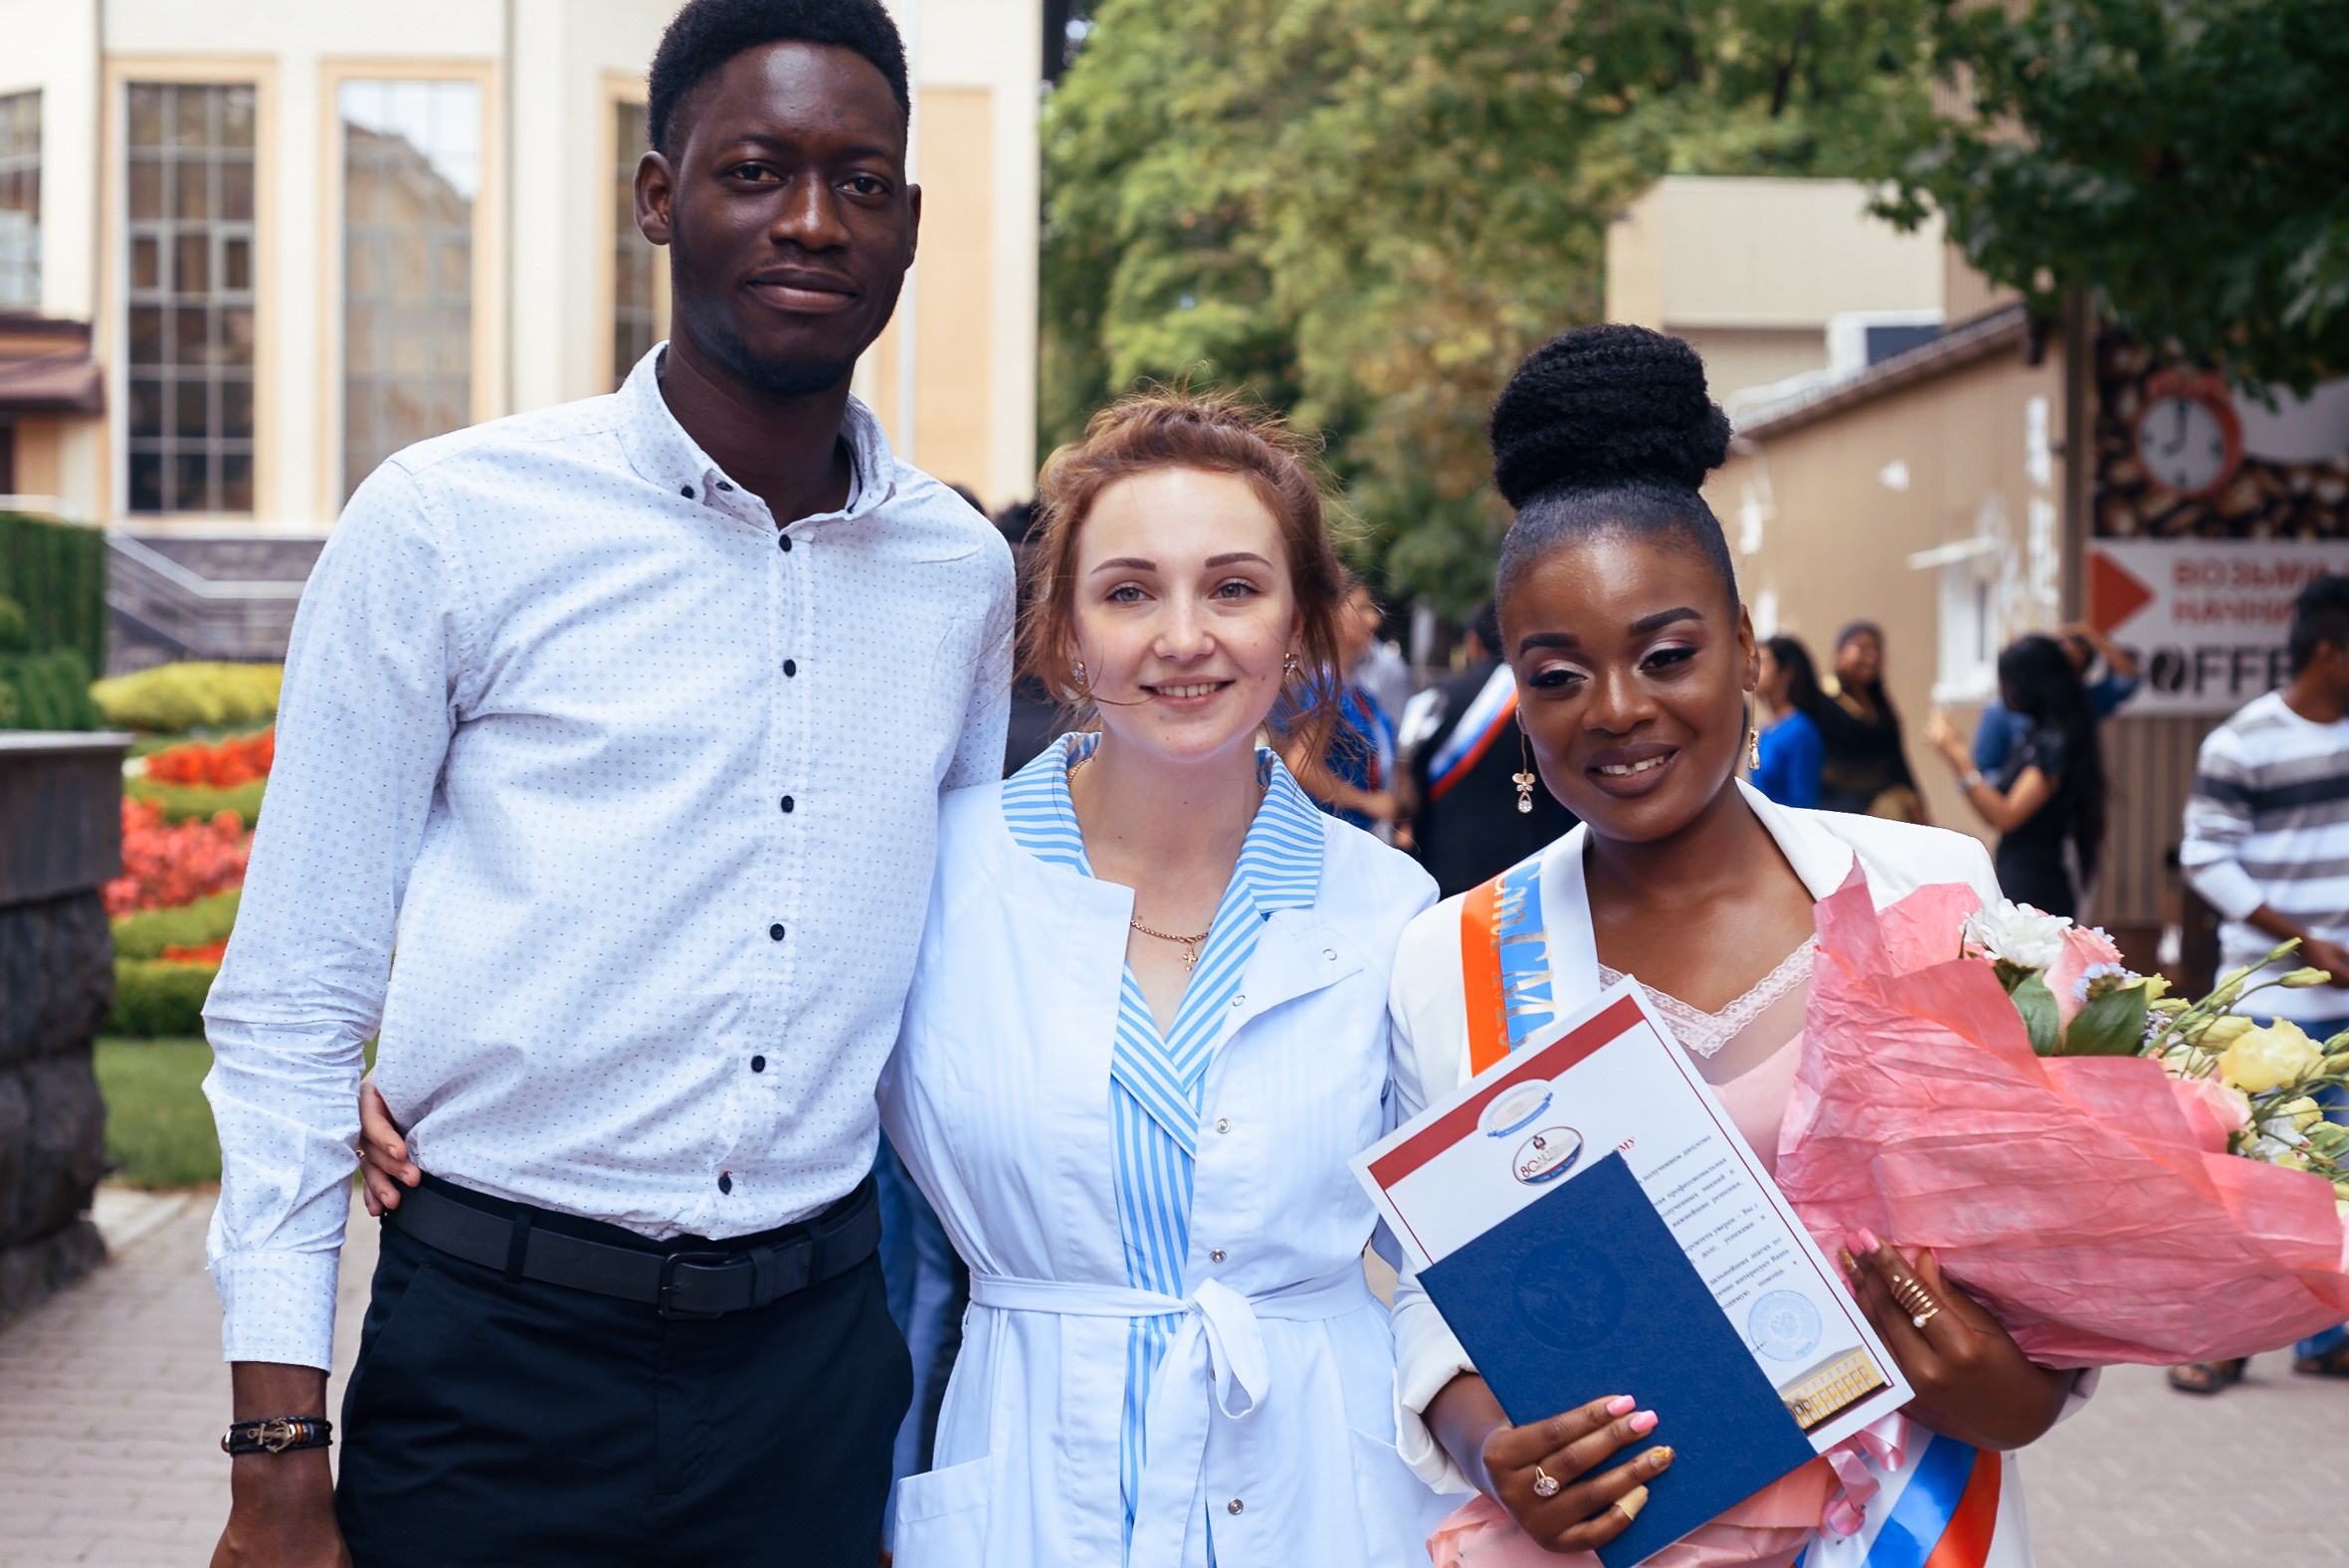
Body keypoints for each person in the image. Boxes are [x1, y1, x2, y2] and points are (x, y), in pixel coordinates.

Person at [204, 5, 1015, 1565]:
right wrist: (276, 1457)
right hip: (493, 1363)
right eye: (756, 170)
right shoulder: (450, 522)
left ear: (908, 222)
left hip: (812, 1372)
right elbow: (291, 1008)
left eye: (860, 182)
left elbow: (939, 974)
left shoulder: (959, 580)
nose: (808, 220)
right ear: (659, 198)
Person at [1385, 324, 2088, 1567]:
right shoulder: (1454, 957)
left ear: (1749, 649)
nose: (1617, 709)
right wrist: (1495, 1431)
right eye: (1558, 675)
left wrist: (2028, 1384)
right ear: (1515, 695)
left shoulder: (1928, 887)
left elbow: (2043, 1256)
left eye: (1668, 654)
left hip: (1905, 1525)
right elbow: (1432, 1289)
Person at [871, 390, 1457, 1563]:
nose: (1183, 637)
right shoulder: (939, 876)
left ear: (1297, 625)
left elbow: (1458, 1256)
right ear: (1065, 634)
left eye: (1234, 587)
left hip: (1322, 1495)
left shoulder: (1389, 909)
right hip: (1033, 1480)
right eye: (1130, 591)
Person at [2171, 572, 2349, 1395]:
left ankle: (2324, 1339)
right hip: (2276, 1007)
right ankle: (2225, 1339)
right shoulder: (2240, 743)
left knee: (2338, 1180)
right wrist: (2303, 940)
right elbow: (2205, 856)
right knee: (2258, 1177)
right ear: (2329, 653)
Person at [1924, 635, 2107, 920]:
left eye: (2009, 680)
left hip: (2040, 877)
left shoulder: (2057, 739)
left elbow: (2006, 815)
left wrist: (1956, 756)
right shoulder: (2039, 730)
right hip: (2022, 866)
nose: (2004, 690)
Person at [1404, 597, 1575, 897]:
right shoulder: (1554, 698)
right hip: (1534, 871)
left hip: (1447, 870)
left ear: (1472, 644)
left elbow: (1409, 791)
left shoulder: (1434, 700)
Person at [1293, 579, 1399, 836]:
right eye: (1362, 608)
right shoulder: (1324, 685)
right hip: (1327, 834)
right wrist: (1366, 801)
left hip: (1357, 832)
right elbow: (1301, 766)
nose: (1374, 619)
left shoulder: (1357, 688)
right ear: (1332, 615)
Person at [1971, 621, 2139, 775]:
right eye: (2059, 667)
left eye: (2074, 669)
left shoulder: (2083, 703)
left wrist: (2094, 638)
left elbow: (2128, 679)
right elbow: (1985, 770)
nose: (2063, 678)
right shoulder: (2001, 711)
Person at [1812, 621, 1928, 822]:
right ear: (1839, 654)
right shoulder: (1824, 702)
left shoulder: (1880, 706)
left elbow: (1897, 761)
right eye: (1862, 648)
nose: (1871, 656)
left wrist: (1916, 805)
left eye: (1877, 649)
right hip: (1843, 811)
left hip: (1889, 811)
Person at [1749, 634, 1824, 810]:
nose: (1755, 670)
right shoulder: (1767, 727)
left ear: (1786, 673)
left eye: (1765, 663)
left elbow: (1804, 801)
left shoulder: (1800, 730)